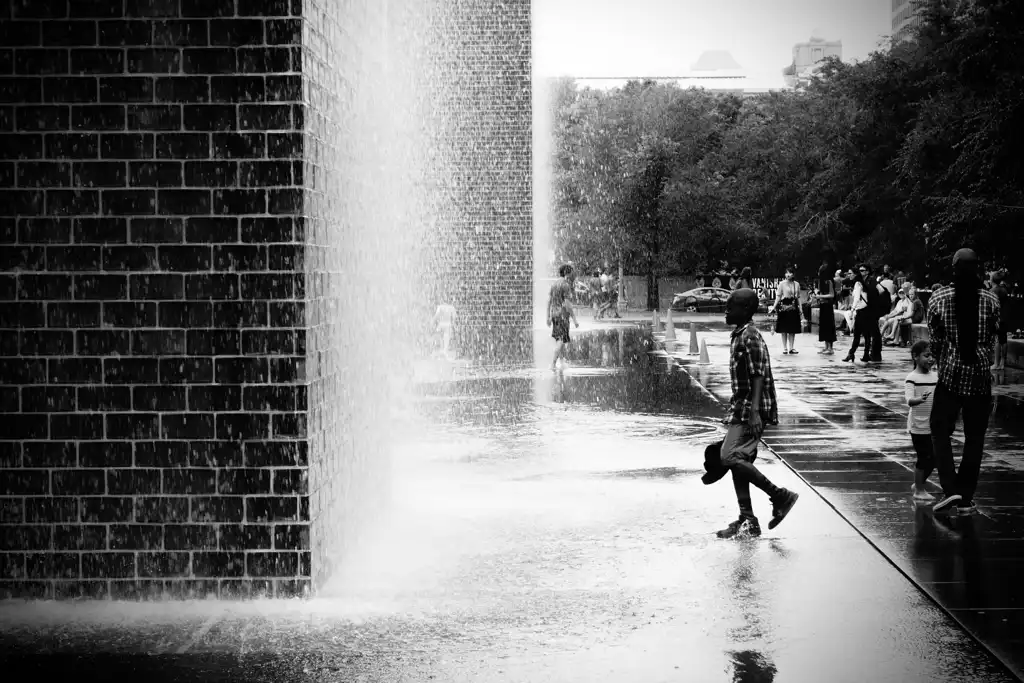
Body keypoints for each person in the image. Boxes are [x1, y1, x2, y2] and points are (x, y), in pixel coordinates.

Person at [715, 288, 799, 538]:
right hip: (741, 406)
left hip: (752, 408)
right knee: (739, 462)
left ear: (746, 310)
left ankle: (780, 495)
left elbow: (758, 374)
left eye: (731, 307)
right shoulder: (739, 334)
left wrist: (753, 412)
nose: (726, 311)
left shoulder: (750, 335)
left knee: (728, 457)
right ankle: (748, 519)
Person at [929, 248, 1001, 517]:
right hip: (980, 374)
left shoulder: (940, 297)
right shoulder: (991, 299)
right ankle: (966, 494)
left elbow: (936, 337)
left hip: (950, 373)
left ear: (954, 268)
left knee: (939, 429)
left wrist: (941, 357)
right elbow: (994, 334)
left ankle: (950, 489)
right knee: (975, 436)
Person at [905, 341, 938, 501]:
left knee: (934, 458)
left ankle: (919, 483)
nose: (930, 359)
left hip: (932, 424)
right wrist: (920, 399)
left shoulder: (935, 376)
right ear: (915, 357)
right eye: (926, 355)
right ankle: (918, 489)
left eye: (932, 355)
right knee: (924, 457)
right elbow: (909, 400)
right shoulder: (912, 378)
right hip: (918, 425)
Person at [547, 265, 580, 371]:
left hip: (554, 315)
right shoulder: (565, 285)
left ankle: (562, 362)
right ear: (566, 273)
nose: (572, 275)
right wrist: (574, 319)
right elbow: (567, 304)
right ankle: (552, 364)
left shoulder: (554, 284)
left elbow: (549, 301)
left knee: (558, 339)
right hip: (563, 316)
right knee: (560, 340)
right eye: (571, 273)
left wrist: (547, 316)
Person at [769, 266, 803, 355]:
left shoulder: (797, 284)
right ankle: (784, 348)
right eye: (786, 273)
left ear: (793, 274)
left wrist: (801, 308)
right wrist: (773, 306)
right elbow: (778, 296)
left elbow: (798, 297)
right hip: (784, 307)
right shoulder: (782, 284)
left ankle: (791, 348)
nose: (788, 274)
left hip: (793, 307)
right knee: (784, 329)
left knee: (792, 329)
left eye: (790, 273)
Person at [842, 268, 870, 362]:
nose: (849, 275)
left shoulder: (858, 284)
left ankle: (851, 354)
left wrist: (852, 309)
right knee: (866, 335)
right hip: (866, 311)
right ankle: (865, 354)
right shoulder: (863, 283)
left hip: (861, 311)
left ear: (855, 274)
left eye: (850, 273)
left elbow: (857, 298)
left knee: (857, 334)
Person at [815, 260, 837, 355]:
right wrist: (817, 293)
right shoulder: (821, 282)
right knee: (824, 326)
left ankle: (830, 348)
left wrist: (820, 297)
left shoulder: (829, 282)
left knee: (829, 326)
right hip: (823, 305)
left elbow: (832, 295)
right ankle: (826, 346)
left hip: (828, 305)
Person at [990, 270, 1009, 370]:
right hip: (1005, 317)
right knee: (1004, 340)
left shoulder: (993, 291)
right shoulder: (1004, 289)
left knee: (997, 340)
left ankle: (996, 363)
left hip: (997, 318)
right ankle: (1002, 363)